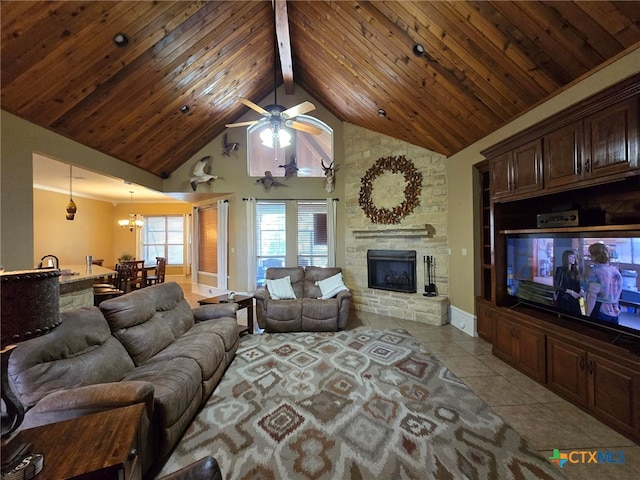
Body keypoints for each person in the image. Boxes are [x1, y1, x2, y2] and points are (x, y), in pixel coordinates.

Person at [586, 243, 623, 324]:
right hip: (615, 313)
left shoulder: (596, 272)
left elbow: (592, 296)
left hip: (600, 311)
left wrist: (587, 316)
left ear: (595, 256)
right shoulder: (615, 271)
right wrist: (616, 306)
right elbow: (618, 292)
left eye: (591, 254)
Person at [553, 250, 584, 316]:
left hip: (575, 298)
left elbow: (577, 284)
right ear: (566, 258)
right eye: (571, 256)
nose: (573, 258)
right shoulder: (560, 269)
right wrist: (570, 292)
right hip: (565, 298)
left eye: (574, 257)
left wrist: (581, 290)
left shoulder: (575, 270)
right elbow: (556, 285)